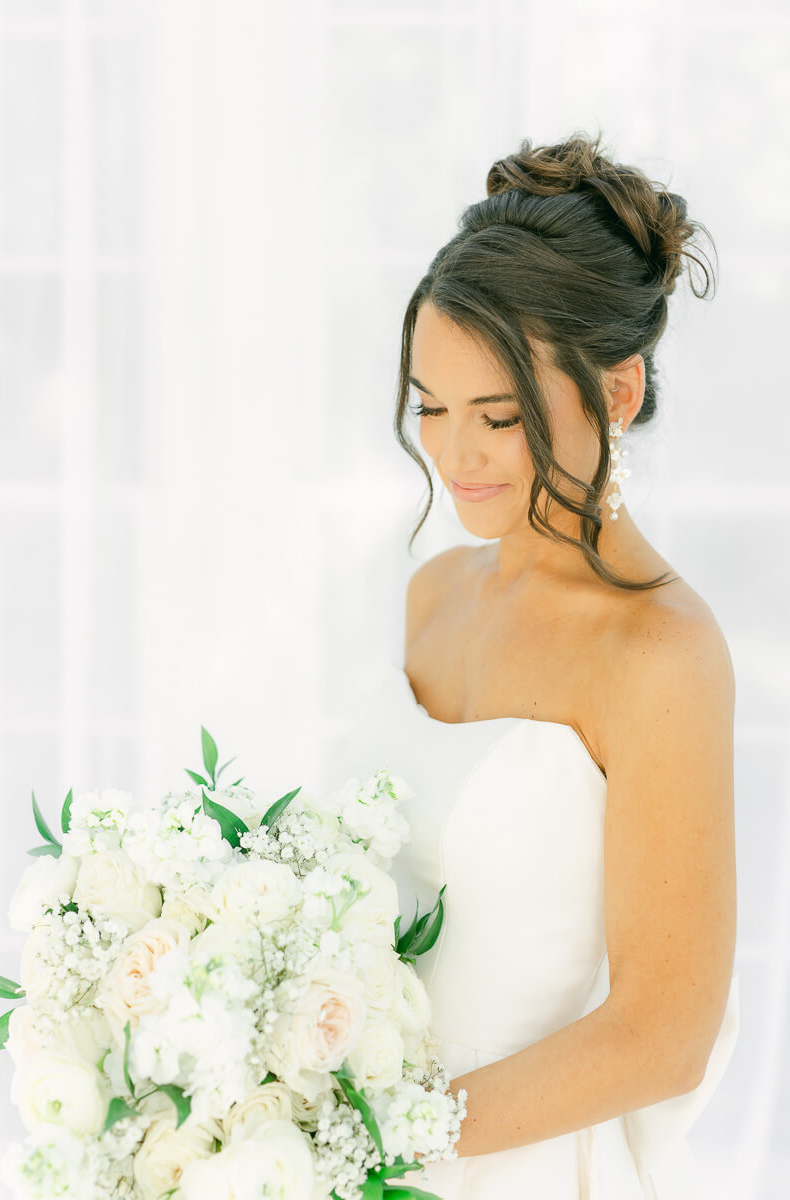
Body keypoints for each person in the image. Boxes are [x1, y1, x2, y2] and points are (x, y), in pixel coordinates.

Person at [336, 131, 739, 1199]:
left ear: (614, 392)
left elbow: (663, 1037)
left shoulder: (661, 656)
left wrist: (380, 1138)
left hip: (513, 1167)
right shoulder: (430, 594)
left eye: (498, 417)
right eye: (429, 407)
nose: (452, 455)